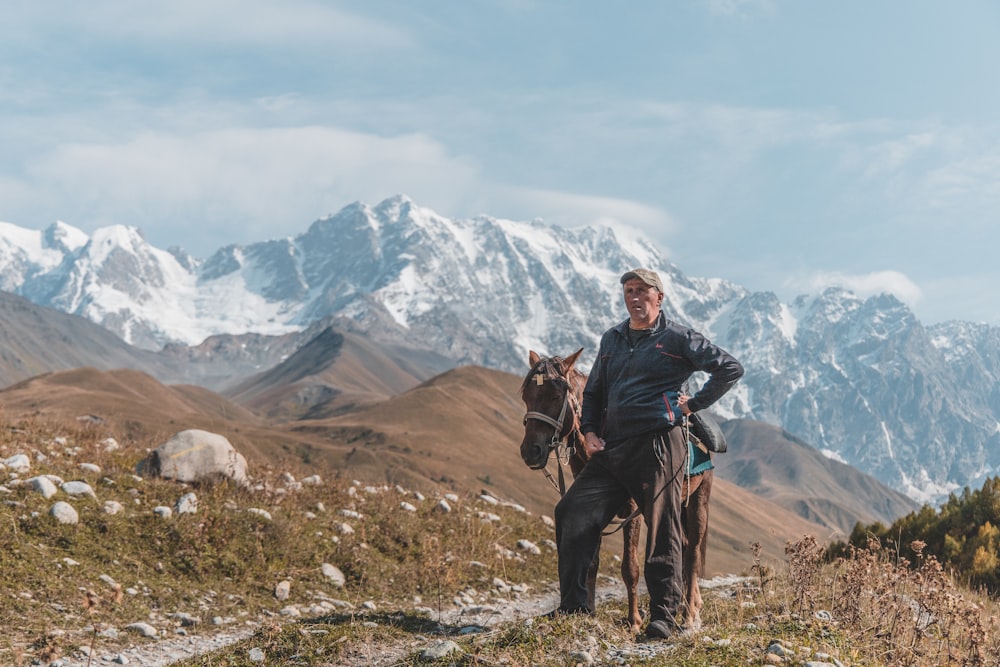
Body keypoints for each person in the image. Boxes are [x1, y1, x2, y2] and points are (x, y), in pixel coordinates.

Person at [551, 268, 744, 639]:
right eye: (628, 291)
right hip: (613, 446)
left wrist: (692, 405)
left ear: (659, 298)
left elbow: (730, 369)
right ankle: (574, 609)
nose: (634, 297)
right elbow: (593, 394)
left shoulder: (678, 338)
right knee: (572, 511)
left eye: (642, 291)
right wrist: (589, 431)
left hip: (658, 443)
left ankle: (663, 617)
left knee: (662, 527)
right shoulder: (612, 339)